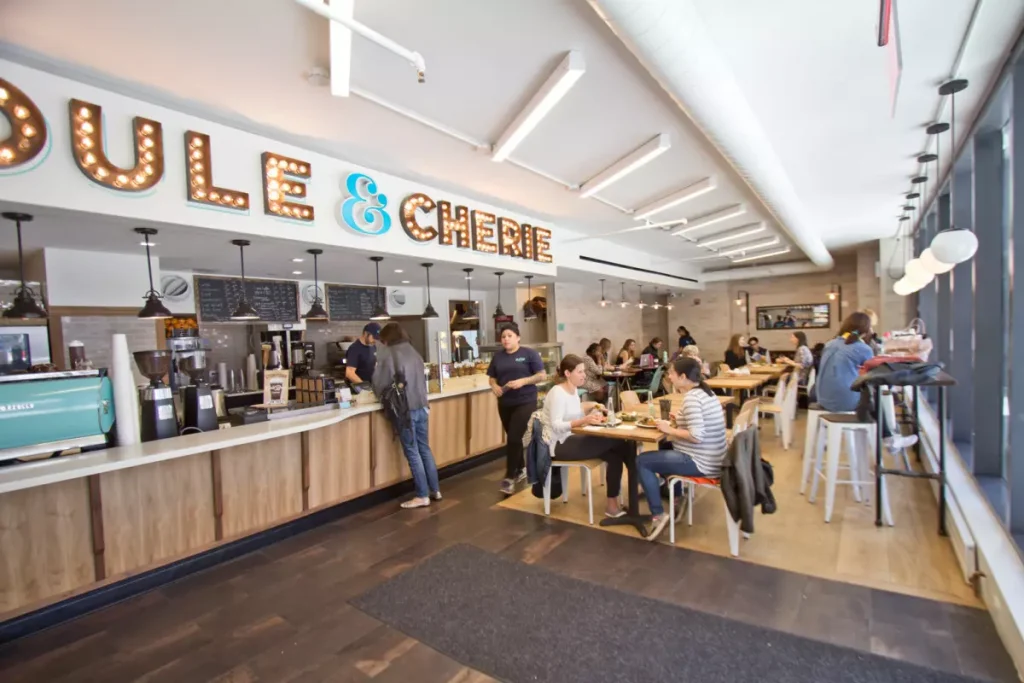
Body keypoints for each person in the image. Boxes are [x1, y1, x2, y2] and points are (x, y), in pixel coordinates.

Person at [637, 357, 728, 539]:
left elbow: (696, 435)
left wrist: (669, 429)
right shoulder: (706, 393)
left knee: (642, 462)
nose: (669, 377)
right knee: (664, 444)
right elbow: (698, 425)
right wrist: (678, 419)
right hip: (716, 457)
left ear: (683, 376)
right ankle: (676, 497)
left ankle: (658, 515)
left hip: (701, 463)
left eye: (672, 373)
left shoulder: (692, 399)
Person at [815, 312, 916, 449]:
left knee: (868, 392)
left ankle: (889, 438)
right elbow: (874, 373)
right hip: (843, 402)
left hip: (822, 398)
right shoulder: (863, 348)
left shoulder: (830, 344)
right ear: (867, 329)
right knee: (872, 393)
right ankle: (889, 438)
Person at [545, 355, 628, 517]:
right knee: (618, 441)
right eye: (580, 372)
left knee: (616, 455)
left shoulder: (573, 389)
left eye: (584, 371)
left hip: (572, 439)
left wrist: (594, 408)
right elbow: (556, 425)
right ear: (568, 373)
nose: (584, 375)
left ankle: (612, 505)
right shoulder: (557, 393)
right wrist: (585, 420)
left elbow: (575, 410)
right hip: (559, 445)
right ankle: (639, 475)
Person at [372, 323, 440, 509]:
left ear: (386, 338)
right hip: (422, 406)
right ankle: (435, 490)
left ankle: (422, 495)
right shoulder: (413, 352)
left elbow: (379, 383)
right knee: (425, 448)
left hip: (404, 410)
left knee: (412, 451)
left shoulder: (388, 353)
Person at [488, 322, 548, 495]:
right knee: (513, 437)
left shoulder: (529, 354)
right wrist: (494, 386)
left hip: (525, 401)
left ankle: (509, 477)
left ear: (518, 337)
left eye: (509, 336)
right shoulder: (498, 357)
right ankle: (521, 468)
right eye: (503, 337)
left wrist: (523, 381)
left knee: (514, 437)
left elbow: (541, 375)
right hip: (505, 403)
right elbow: (492, 377)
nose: (506, 339)